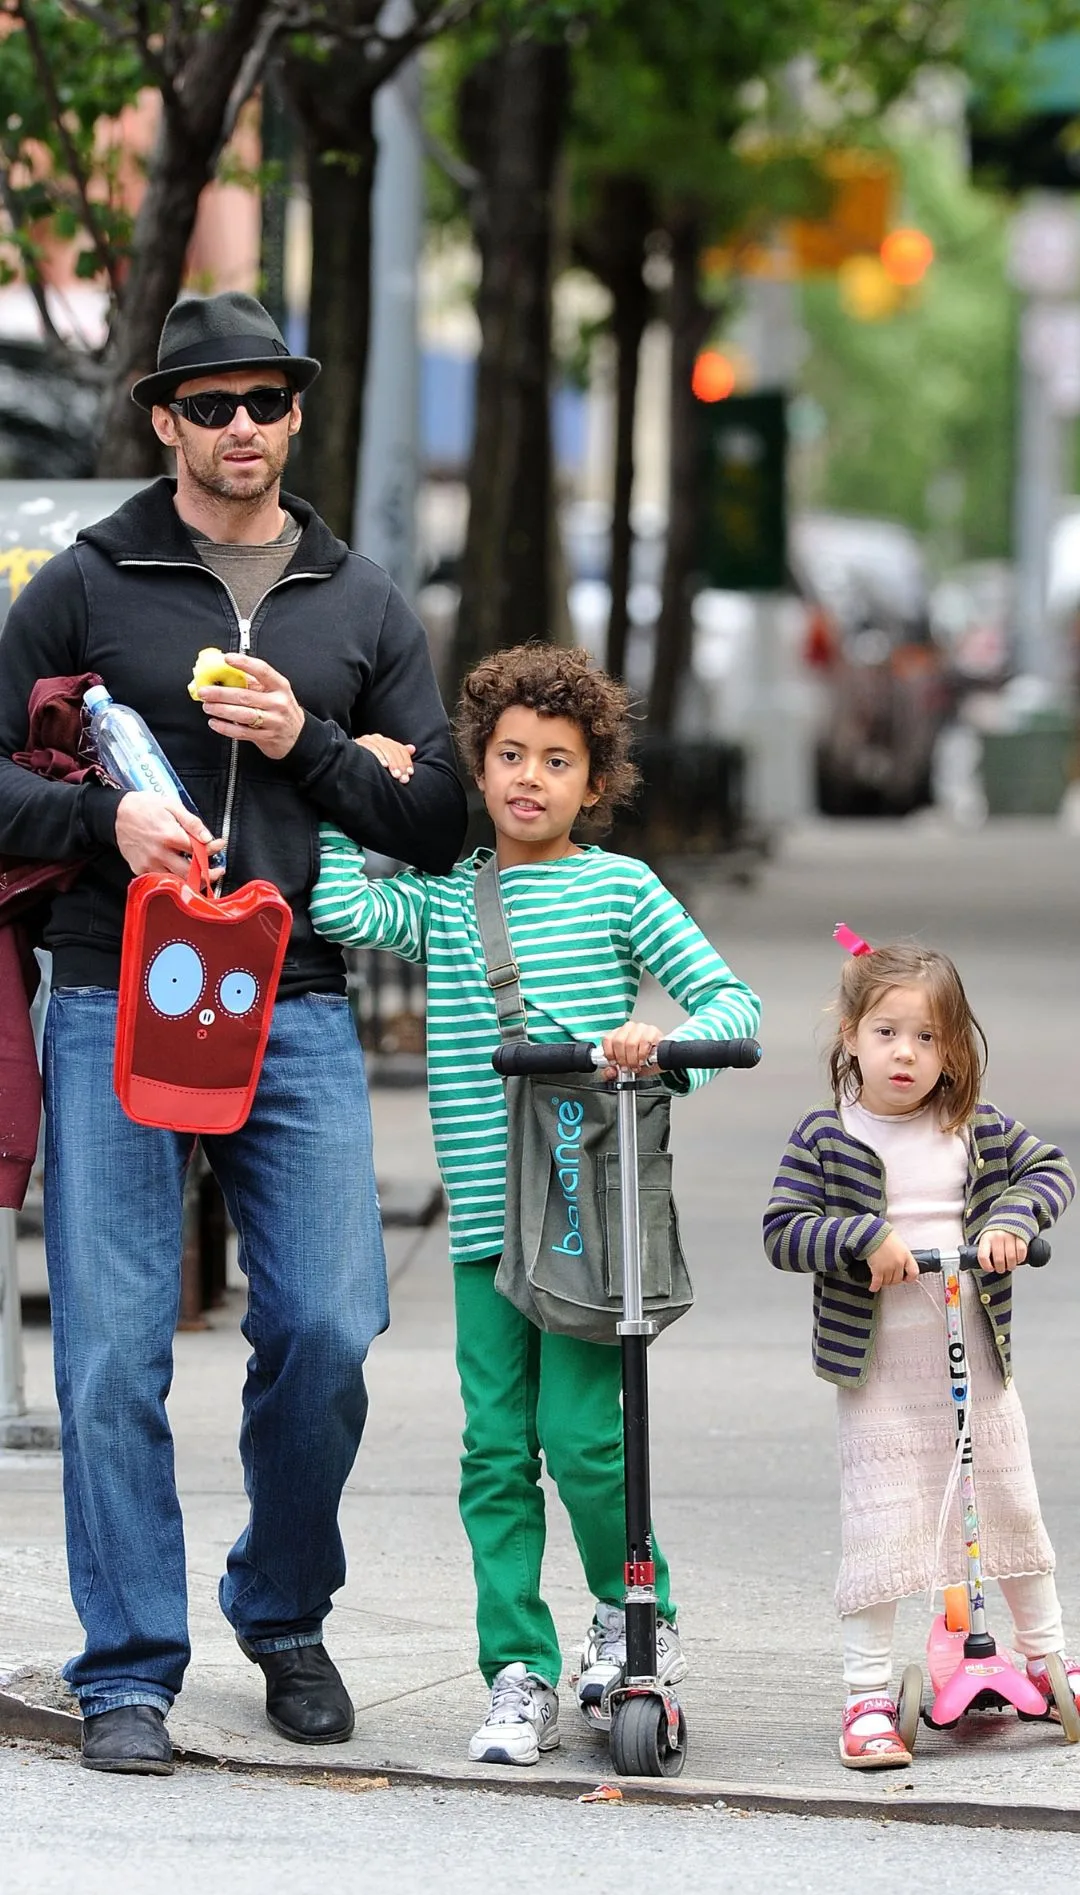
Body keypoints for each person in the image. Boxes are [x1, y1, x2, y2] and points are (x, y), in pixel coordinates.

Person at [0, 291, 466, 1776]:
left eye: (267, 402)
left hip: (299, 1001)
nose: (244, 429)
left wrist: (305, 743)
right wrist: (103, 818)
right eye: (214, 406)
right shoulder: (85, 584)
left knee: (330, 1324)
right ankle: (127, 1666)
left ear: (295, 416)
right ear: (164, 421)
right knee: (111, 1355)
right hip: (110, 990)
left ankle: (281, 1609)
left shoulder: (362, 602)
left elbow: (442, 820)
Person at [310, 643, 761, 1764]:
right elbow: (331, 903)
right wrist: (344, 780)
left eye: (556, 761)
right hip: (480, 1225)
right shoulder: (450, 899)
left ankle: (630, 1612)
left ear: (594, 784)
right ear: (476, 766)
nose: (527, 778)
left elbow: (729, 1000)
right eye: (508, 755)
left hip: (581, 1220)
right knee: (495, 1452)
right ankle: (516, 1669)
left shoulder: (621, 888)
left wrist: (662, 1048)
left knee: (582, 1439)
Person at [763, 939, 1077, 1770]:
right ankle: (866, 1691)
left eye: (930, 1038)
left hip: (975, 1359)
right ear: (852, 1034)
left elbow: (1051, 1170)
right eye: (889, 1032)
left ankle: (1051, 1657)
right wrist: (862, 1236)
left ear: (956, 1049)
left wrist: (1013, 1220)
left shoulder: (973, 1126)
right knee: (886, 1523)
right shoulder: (828, 1135)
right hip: (880, 1375)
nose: (908, 1054)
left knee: (1009, 1503)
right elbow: (783, 1231)